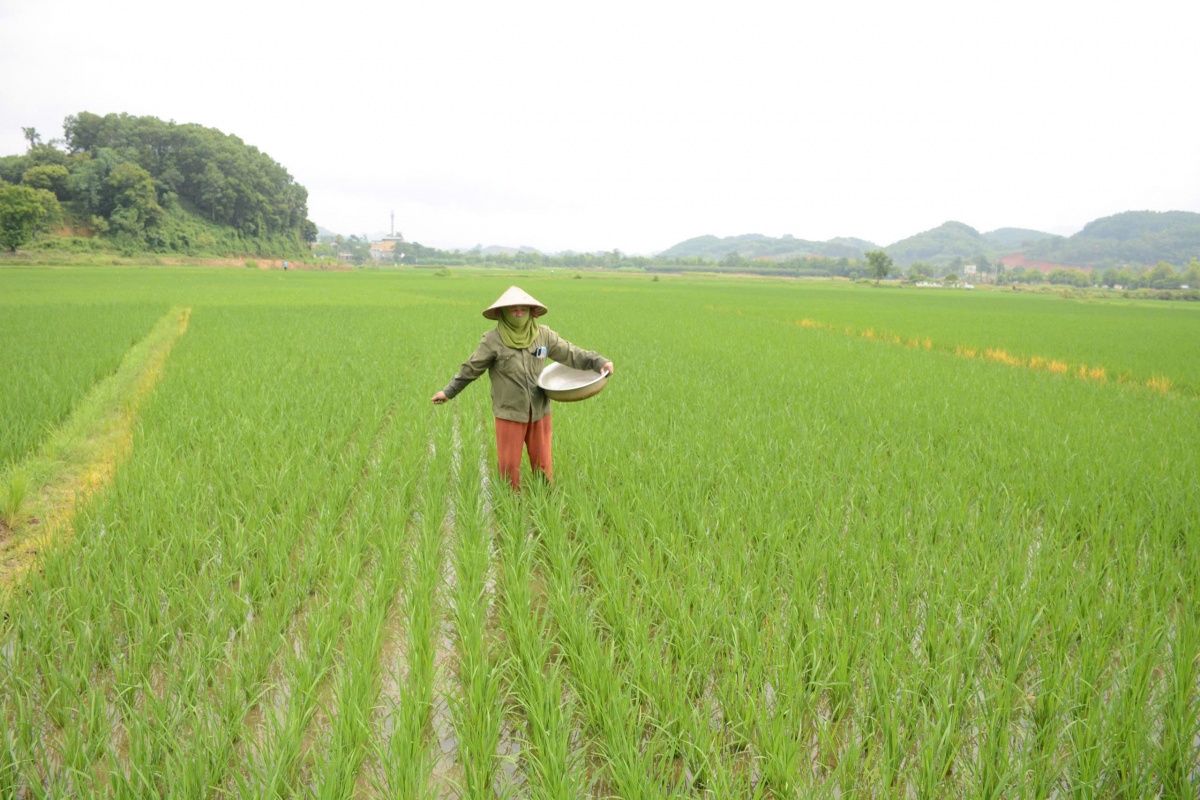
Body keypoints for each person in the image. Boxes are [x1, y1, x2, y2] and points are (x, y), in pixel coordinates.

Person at [431, 286, 613, 490]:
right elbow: (470, 369)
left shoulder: (544, 335)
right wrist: (448, 392)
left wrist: (599, 362)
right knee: (509, 468)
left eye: (523, 309)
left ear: (531, 311)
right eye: (513, 309)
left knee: (543, 465)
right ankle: (510, 505)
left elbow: (571, 353)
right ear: (503, 313)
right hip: (510, 413)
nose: (518, 313)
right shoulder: (492, 341)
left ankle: (545, 501)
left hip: (539, 410)